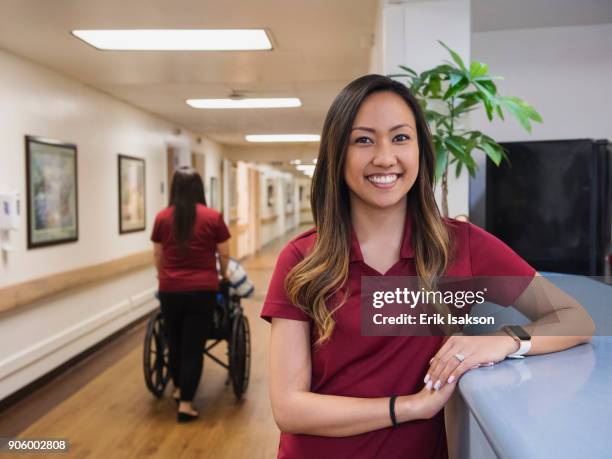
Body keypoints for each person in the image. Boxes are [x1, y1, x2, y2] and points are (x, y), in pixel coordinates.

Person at [261, 74, 594, 458]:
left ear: (421, 150)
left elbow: (576, 318)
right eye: (363, 139)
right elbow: (289, 408)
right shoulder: (303, 259)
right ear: (338, 154)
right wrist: (410, 407)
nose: (384, 157)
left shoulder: (460, 246)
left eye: (400, 137)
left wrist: (503, 341)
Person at [151, 166, 231, 423]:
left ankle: (177, 388)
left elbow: (157, 254)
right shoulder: (212, 217)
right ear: (200, 188)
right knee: (193, 347)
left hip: (170, 289)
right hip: (202, 289)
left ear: (174, 188)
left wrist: (162, 275)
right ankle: (186, 403)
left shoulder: (162, 217)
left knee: (174, 342)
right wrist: (224, 275)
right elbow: (224, 253)